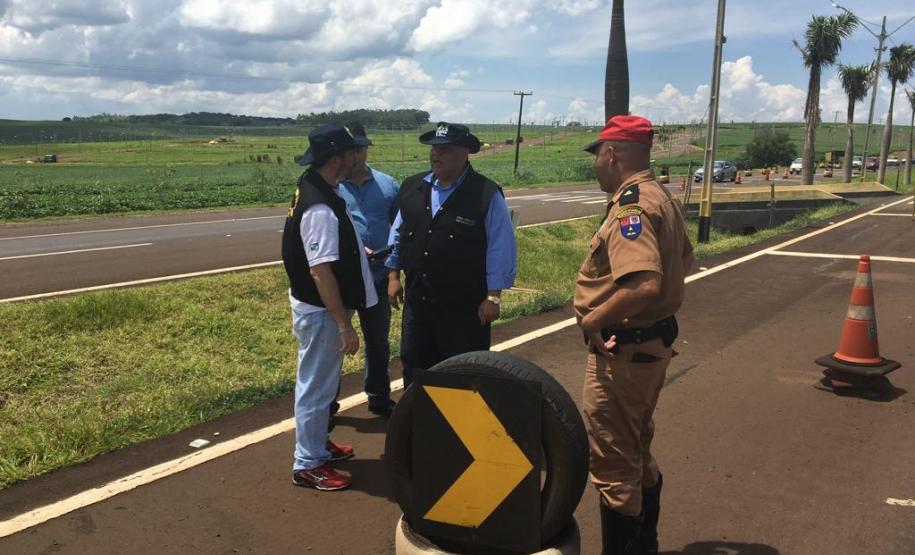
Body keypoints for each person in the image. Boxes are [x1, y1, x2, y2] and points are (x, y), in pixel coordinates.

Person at [574, 115, 694, 553]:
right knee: (637, 448)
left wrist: (593, 319)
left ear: (611, 154)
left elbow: (644, 284)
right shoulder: (660, 195)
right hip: (650, 346)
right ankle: (645, 546)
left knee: (613, 463)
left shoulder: (632, 207)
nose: (596, 167)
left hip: (623, 353)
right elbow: (684, 263)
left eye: (598, 157)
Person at [281, 123, 378, 491]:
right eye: (354, 151)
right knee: (317, 388)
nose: (360, 156)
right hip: (322, 314)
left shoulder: (318, 188)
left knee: (321, 384)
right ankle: (307, 463)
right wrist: (343, 325)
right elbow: (320, 270)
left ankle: (317, 444)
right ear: (339, 158)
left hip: (319, 310)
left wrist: (358, 253)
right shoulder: (319, 205)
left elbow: (326, 250)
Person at [386, 122, 516, 387]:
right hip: (418, 303)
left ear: (466, 152)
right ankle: (418, 425)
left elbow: (500, 248)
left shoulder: (485, 194)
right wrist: (392, 276)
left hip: (464, 310)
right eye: (434, 148)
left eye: (446, 149)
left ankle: (458, 428)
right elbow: (398, 235)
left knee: (463, 374)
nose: (436, 154)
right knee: (415, 367)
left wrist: (493, 297)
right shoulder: (413, 187)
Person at [336, 122, 400, 417]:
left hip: (377, 277)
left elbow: (399, 231)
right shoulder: (332, 188)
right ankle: (328, 403)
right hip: (344, 280)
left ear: (364, 150)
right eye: (350, 151)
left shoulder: (388, 185)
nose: (356, 157)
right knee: (337, 342)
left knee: (378, 341)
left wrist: (393, 275)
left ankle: (378, 395)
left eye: (359, 150)